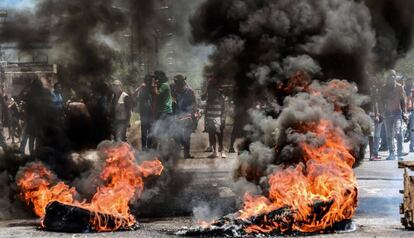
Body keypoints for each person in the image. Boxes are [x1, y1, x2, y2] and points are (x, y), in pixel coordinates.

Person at [381, 70, 408, 161]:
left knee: (399, 132)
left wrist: (405, 112)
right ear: (388, 78)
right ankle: (391, 153)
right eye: (390, 76)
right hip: (387, 114)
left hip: (397, 113)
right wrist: (382, 112)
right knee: (389, 135)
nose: (392, 77)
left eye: (393, 76)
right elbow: (381, 101)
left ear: (395, 77)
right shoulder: (384, 88)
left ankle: (399, 153)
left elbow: (403, 100)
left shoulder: (399, 87)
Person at [173, 74, 196, 159]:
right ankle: (177, 153)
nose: (176, 84)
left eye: (178, 82)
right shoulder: (174, 91)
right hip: (177, 115)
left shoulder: (189, 91)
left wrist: (192, 114)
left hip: (187, 115)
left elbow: (193, 103)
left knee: (187, 135)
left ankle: (186, 154)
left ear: (182, 82)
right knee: (176, 135)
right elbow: (173, 103)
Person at [205, 78, 226, 159]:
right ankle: (215, 152)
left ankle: (222, 151)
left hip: (218, 118)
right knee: (212, 135)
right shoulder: (209, 95)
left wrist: (223, 118)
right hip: (210, 117)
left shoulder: (220, 96)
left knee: (219, 135)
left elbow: (223, 108)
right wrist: (206, 118)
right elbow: (207, 107)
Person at [135, 74, 155, 151]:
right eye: (147, 80)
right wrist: (140, 88)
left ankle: (149, 147)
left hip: (151, 114)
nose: (149, 82)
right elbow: (135, 96)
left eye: (150, 80)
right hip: (144, 114)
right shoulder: (142, 89)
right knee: (144, 132)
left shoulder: (153, 89)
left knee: (150, 132)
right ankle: (144, 148)